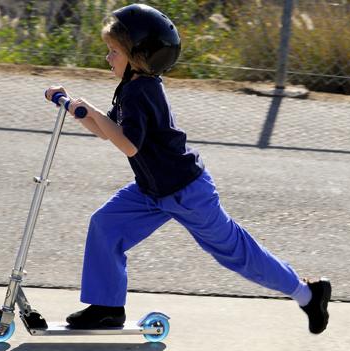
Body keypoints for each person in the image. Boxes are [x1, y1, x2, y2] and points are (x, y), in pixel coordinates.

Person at [44, 3, 331, 334]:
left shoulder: (140, 92)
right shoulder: (132, 86)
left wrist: (89, 109)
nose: (107, 58)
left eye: (113, 51)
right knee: (106, 225)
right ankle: (107, 308)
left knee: (235, 252)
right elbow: (107, 129)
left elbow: (127, 144)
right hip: (151, 189)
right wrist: (74, 108)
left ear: (138, 57)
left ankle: (308, 293)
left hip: (185, 192)